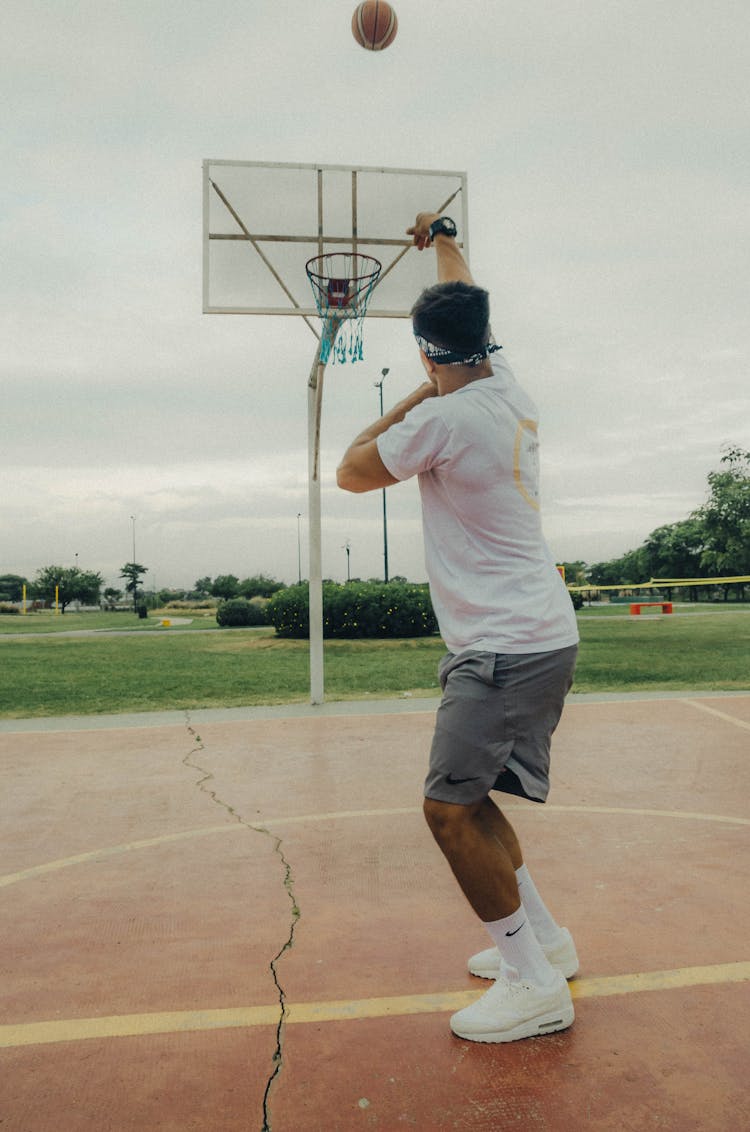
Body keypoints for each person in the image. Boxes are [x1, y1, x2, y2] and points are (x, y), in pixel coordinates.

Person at [336, 211, 581, 1044]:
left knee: (447, 811)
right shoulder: (504, 383)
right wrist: (441, 233)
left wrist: (413, 393)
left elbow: (350, 471)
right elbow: (463, 289)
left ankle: (534, 983)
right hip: (533, 634)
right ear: (486, 340)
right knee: (472, 800)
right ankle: (543, 940)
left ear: (427, 354)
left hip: (504, 647)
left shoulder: (440, 421)